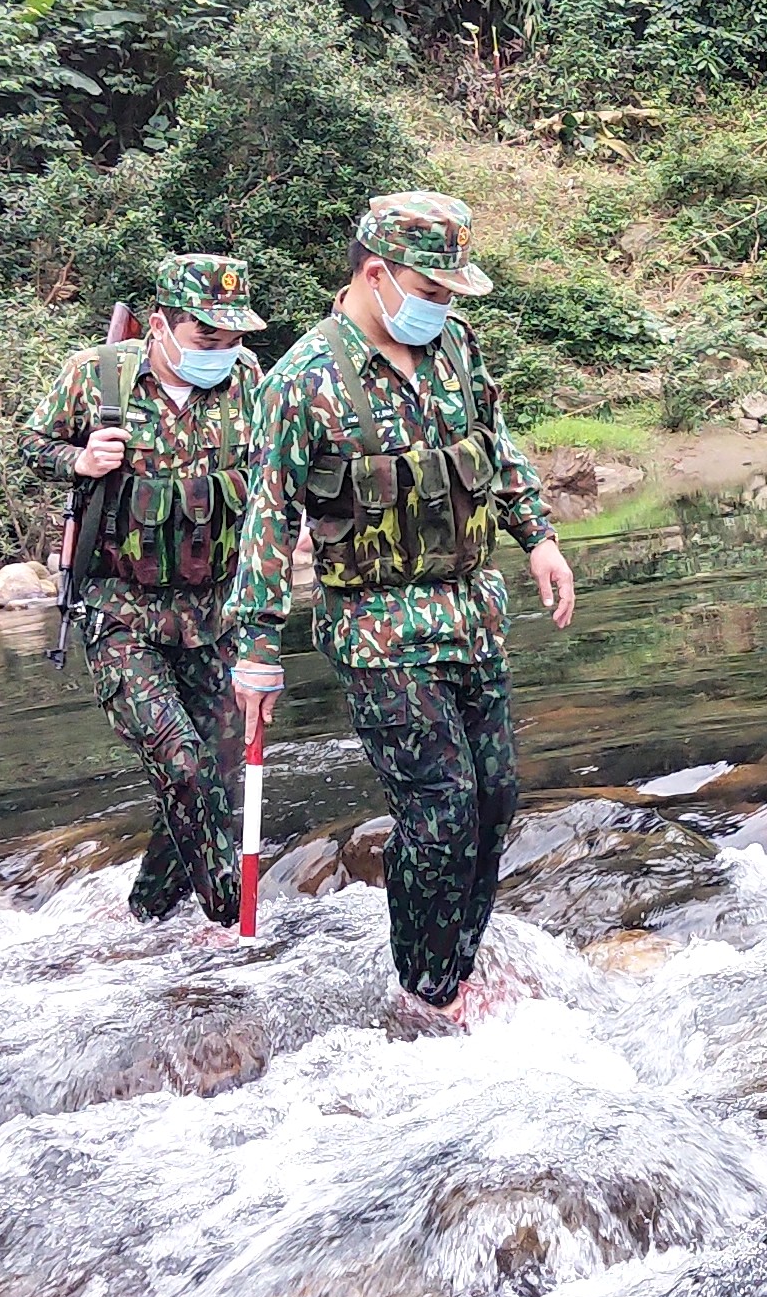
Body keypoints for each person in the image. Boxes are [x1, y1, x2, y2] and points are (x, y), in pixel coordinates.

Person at [225, 191, 579, 1025]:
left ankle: (458, 966)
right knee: (442, 809)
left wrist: (538, 535)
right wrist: (257, 644)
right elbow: (269, 515)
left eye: (452, 292)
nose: (444, 306)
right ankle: (425, 992)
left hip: (470, 614)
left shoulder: (454, 347)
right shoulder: (301, 382)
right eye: (433, 288)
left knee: (495, 804)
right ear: (376, 273)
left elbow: (495, 443)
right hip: (378, 632)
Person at [25, 252, 269, 929]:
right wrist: (78, 458)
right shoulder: (96, 376)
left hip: (215, 613)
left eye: (233, 338)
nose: (222, 352)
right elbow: (33, 443)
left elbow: (275, 464)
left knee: (215, 780)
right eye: (206, 338)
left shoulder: (247, 379)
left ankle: (147, 918)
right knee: (182, 764)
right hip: (120, 611)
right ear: (158, 326)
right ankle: (232, 922)